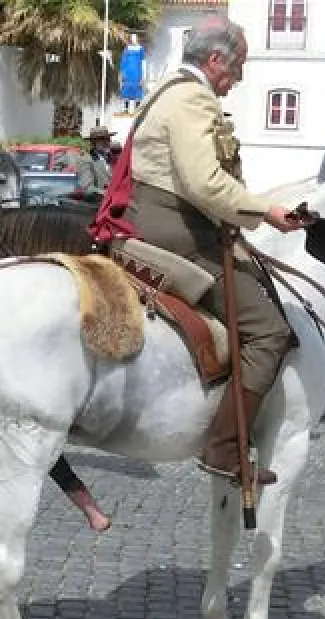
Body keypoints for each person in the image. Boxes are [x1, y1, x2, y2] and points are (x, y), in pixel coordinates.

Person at [127, 13, 304, 484]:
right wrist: (266, 212)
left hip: (158, 218)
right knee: (269, 332)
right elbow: (203, 184)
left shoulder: (164, 90)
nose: (238, 79)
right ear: (213, 60)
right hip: (179, 231)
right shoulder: (191, 100)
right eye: (237, 67)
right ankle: (224, 446)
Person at [75, 125, 115, 196]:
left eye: (108, 138)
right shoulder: (86, 160)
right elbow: (88, 189)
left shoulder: (110, 158)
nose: (107, 142)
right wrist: (108, 194)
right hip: (99, 204)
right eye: (102, 139)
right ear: (93, 142)